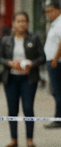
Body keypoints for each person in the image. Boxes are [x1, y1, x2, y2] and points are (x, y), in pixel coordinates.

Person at [0, 12, 45, 147]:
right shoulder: (6, 40)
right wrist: (10, 63)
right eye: (18, 21)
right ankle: (14, 139)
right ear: (13, 23)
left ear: (28, 23)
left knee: (28, 108)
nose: (21, 24)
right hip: (11, 79)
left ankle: (29, 138)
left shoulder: (34, 39)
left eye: (24, 21)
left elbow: (42, 57)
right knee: (12, 110)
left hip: (28, 80)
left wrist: (31, 64)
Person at [44, 0, 61, 128]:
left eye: (50, 11)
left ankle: (58, 118)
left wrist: (55, 58)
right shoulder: (54, 24)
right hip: (53, 61)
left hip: (56, 62)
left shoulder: (60, 23)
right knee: (55, 91)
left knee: (57, 91)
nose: (47, 14)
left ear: (57, 9)